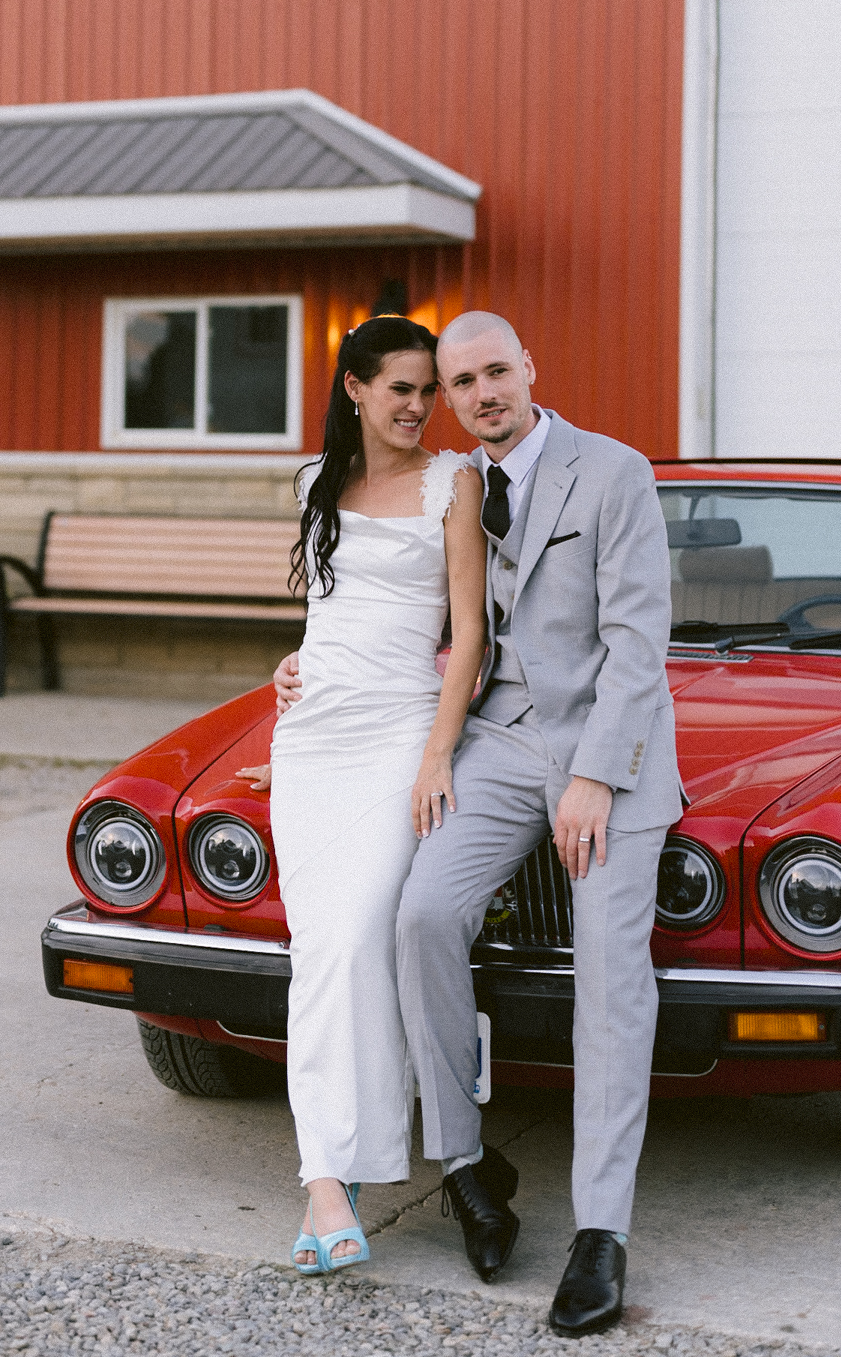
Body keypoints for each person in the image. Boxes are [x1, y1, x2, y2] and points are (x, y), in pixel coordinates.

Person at [275, 312, 681, 1335]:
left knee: (606, 975)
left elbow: (639, 643)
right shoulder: (459, 484)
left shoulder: (613, 471)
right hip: (498, 742)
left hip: (606, 756)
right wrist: (310, 667)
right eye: (459, 383)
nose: (479, 393)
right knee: (416, 917)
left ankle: (600, 1234)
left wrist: (596, 776)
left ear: (529, 370)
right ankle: (464, 1161)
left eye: (494, 371)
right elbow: (443, 631)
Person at [238, 315, 488, 1277]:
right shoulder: (314, 482)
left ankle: (341, 1172)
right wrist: (291, 663)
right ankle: (331, 1185)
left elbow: (465, 636)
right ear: (354, 388)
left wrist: (436, 757)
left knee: (350, 937)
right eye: (402, 390)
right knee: (322, 949)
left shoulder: (452, 483)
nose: (422, 407)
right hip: (312, 737)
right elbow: (326, 610)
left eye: (431, 391)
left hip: (396, 738)